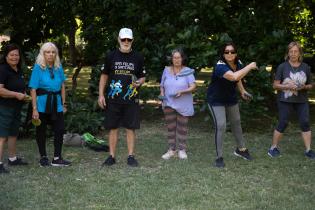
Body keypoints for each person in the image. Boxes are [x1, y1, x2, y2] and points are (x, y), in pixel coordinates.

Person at [98, 28, 146, 167]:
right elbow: (104, 75)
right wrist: (101, 94)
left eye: (129, 39)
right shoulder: (110, 56)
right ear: (119, 39)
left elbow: (142, 76)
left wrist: (140, 82)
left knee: (130, 128)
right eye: (123, 39)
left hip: (131, 98)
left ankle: (131, 156)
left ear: (132, 40)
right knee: (113, 127)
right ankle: (111, 156)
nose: (126, 42)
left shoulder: (138, 57)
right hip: (113, 98)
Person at [207, 42, 258, 168]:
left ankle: (241, 150)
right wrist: (250, 66)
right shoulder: (220, 66)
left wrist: (242, 91)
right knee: (221, 125)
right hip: (216, 100)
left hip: (230, 98)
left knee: (236, 122)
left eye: (232, 51)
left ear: (236, 53)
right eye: (226, 52)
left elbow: (238, 77)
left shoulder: (238, 63)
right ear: (223, 54)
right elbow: (234, 76)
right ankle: (219, 157)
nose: (229, 54)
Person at [268, 41, 314, 159]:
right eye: (291, 51)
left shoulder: (306, 67)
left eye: (296, 51)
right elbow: (275, 85)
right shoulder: (282, 67)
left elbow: (311, 84)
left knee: (305, 122)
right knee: (283, 122)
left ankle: (308, 150)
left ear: (300, 53)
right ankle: (273, 148)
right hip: (285, 100)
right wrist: (287, 86)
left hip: (302, 100)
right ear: (288, 53)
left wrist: (304, 87)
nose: (293, 54)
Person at [29, 42, 70, 167]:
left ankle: (57, 158)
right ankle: (43, 157)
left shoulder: (58, 67)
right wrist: (34, 108)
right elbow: (33, 89)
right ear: (43, 54)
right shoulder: (38, 68)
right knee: (41, 131)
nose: (51, 54)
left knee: (59, 129)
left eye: (53, 52)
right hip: (41, 105)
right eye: (48, 52)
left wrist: (64, 104)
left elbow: (63, 86)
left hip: (56, 104)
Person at [159, 49, 196, 160]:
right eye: (174, 58)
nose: (177, 60)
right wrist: (162, 97)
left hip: (183, 104)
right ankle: (171, 150)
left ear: (182, 58)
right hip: (168, 103)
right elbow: (162, 85)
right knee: (171, 127)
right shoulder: (166, 70)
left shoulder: (188, 71)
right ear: (172, 59)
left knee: (182, 128)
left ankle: (182, 150)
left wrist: (182, 92)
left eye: (179, 57)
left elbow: (193, 86)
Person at [0, 43, 28, 173]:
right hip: (4, 107)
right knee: (2, 136)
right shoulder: (2, 70)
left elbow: (19, 87)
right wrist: (16, 94)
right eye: (11, 55)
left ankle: (12, 158)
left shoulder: (18, 70)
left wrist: (24, 94)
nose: (14, 57)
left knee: (13, 134)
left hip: (16, 108)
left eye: (17, 55)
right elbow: (0, 91)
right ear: (6, 56)